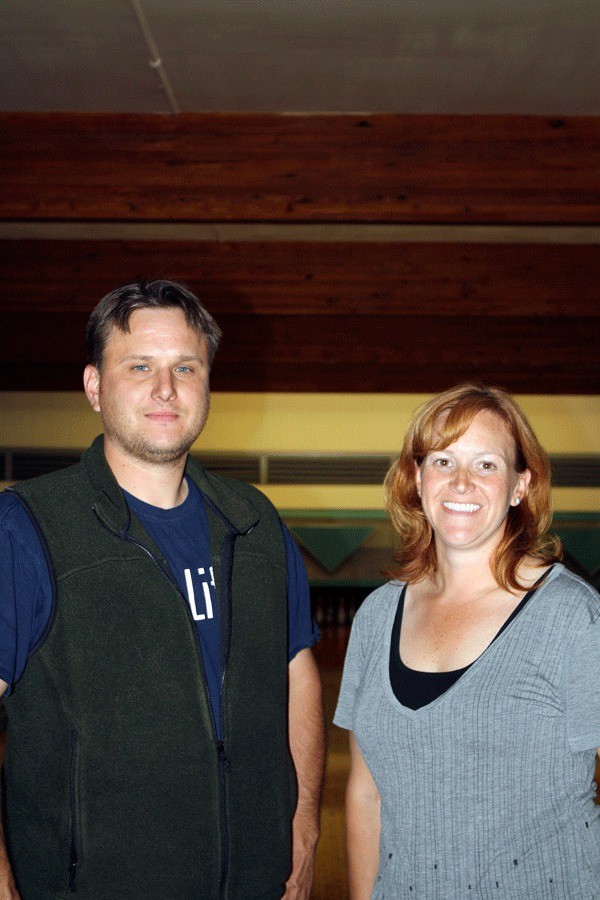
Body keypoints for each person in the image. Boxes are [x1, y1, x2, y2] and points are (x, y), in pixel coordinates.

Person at [0, 280, 325, 899]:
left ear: (208, 385)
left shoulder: (255, 521)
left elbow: (298, 674)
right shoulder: (27, 527)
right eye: (139, 366)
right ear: (94, 386)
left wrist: (304, 830)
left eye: (186, 367)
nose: (165, 389)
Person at [334, 383, 600, 898]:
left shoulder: (571, 617)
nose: (460, 482)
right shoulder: (375, 617)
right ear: (416, 477)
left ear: (520, 486)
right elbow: (366, 794)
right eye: (442, 461)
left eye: (485, 465)